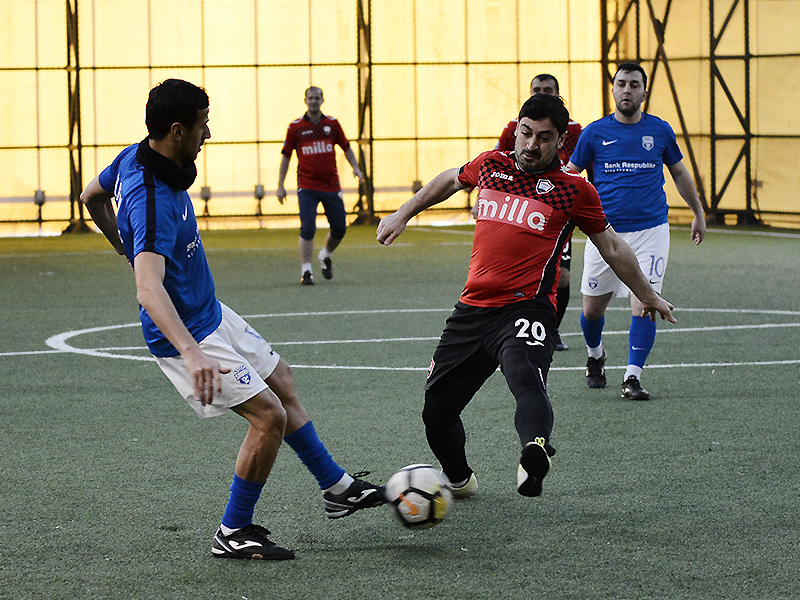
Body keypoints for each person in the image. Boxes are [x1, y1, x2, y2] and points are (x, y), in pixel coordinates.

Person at [80, 79, 383, 561]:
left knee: (281, 378)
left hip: (211, 311)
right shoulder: (150, 199)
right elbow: (147, 288)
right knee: (269, 418)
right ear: (177, 130)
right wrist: (192, 352)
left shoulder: (129, 158)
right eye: (203, 123)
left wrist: (121, 244)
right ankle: (233, 531)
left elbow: (89, 197)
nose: (209, 133)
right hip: (186, 332)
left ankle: (337, 488)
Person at [376, 93, 676, 500]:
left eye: (545, 138)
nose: (532, 145)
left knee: (526, 378)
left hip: (526, 306)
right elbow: (450, 179)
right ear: (516, 129)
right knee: (437, 411)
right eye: (526, 133)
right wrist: (403, 212)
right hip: (472, 310)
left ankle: (535, 450)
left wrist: (647, 293)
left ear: (560, 143)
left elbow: (612, 246)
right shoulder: (491, 164)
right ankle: (460, 479)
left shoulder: (573, 191)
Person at [567, 62, 706, 401]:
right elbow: (570, 176)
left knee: (646, 302)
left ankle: (632, 377)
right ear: (612, 90)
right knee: (591, 309)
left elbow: (680, 174)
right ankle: (596, 355)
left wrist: (698, 212)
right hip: (605, 233)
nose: (627, 90)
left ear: (645, 92)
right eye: (621, 84)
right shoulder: (594, 133)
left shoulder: (659, 131)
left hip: (651, 231)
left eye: (634, 84)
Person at [495, 74, 583, 351]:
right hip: (520, 206)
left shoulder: (575, 130)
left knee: (563, 276)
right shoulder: (514, 127)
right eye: (536, 90)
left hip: (556, 208)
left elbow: (581, 164)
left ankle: (551, 330)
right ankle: (508, 325)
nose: (534, 143)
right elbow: (496, 161)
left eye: (547, 90)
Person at [277, 86, 365, 286]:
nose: (314, 101)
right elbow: (286, 157)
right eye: (311, 98)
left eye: (317, 98)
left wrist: (356, 168)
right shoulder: (296, 127)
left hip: (331, 186)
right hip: (307, 186)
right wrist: (280, 185)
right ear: (305, 100)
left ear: (322, 100)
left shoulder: (332, 124)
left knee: (340, 228)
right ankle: (306, 271)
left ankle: (325, 254)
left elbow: (347, 148)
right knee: (307, 227)